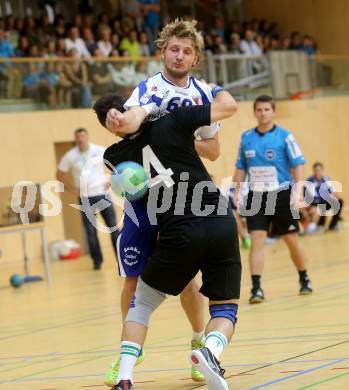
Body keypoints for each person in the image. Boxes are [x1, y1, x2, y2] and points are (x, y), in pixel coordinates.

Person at [93, 89, 240, 390]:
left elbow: (211, 150)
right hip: (217, 217)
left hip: (175, 223)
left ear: (131, 110)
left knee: (144, 302)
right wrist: (212, 92)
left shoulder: (116, 155)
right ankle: (208, 351)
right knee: (225, 306)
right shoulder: (176, 118)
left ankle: (127, 375)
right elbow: (227, 110)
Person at [103, 18, 222, 386]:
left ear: (195, 58)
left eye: (187, 51)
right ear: (163, 51)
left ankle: (199, 341)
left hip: (183, 199)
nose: (179, 55)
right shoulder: (146, 89)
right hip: (144, 200)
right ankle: (127, 355)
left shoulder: (203, 96)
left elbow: (214, 151)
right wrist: (116, 119)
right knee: (132, 281)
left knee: (188, 283)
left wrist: (179, 137)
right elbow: (126, 125)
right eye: (174, 48)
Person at [233, 94, 313, 304]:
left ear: (273, 112)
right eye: (259, 110)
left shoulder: (285, 136)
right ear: (254, 112)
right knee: (257, 239)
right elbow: (241, 167)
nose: (263, 113)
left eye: (267, 109)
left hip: (280, 194)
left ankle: (304, 277)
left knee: (290, 239)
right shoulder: (246, 137)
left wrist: (298, 192)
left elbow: (297, 164)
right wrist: (237, 192)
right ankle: (256, 288)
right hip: (255, 196)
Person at [56, 128, 119, 270]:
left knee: (113, 227)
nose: (80, 139)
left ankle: (120, 258)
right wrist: (72, 189)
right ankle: (97, 261)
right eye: (77, 137)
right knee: (90, 231)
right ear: (75, 139)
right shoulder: (70, 156)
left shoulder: (99, 150)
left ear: (87, 136)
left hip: (102, 194)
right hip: (85, 198)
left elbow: (115, 164)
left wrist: (111, 180)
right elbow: (60, 174)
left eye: (83, 136)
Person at [305, 162, 343, 232]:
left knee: (339, 201)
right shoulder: (310, 181)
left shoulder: (326, 179)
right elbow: (311, 196)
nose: (318, 172)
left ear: (322, 171)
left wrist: (335, 195)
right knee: (321, 204)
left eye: (320, 170)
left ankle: (333, 225)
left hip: (325, 201)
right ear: (314, 171)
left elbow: (332, 191)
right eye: (316, 171)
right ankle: (319, 225)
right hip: (316, 203)